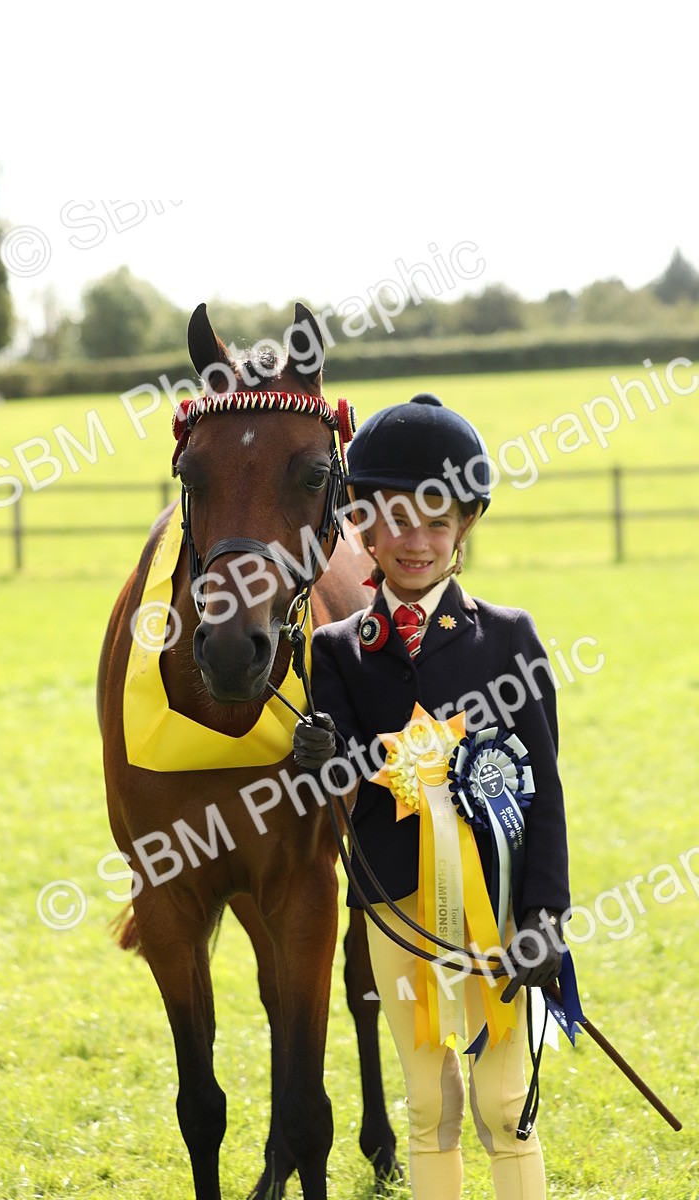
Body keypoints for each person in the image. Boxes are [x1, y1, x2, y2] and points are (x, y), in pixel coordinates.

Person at [293, 394, 570, 1200]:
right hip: (395, 906)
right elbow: (337, 786)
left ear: (466, 527)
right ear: (364, 530)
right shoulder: (335, 651)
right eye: (398, 521)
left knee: (504, 1100)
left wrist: (544, 920)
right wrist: (320, 758)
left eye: (439, 522)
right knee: (427, 1104)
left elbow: (543, 790)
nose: (418, 540)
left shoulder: (510, 638)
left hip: (500, 903)